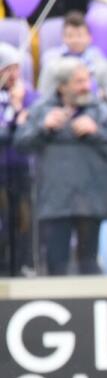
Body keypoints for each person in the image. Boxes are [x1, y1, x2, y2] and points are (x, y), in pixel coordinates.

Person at [16, 58, 107, 276]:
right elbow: (21, 144)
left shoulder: (101, 111)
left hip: (91, 199)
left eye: (87, 80)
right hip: (56, 200)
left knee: (89, 262)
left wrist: (96, 132)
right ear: (62, 86)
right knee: (56, 263)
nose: (86, 86)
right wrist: (44, 128)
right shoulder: (41, 110)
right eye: (79, 81)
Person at [0, 44, 34, 277]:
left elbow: (32, 129)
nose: (14, 76)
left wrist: (20, 108)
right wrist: (14, 114)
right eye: (7, 69)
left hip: (21, 169)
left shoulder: (27, 95)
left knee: (22, 219)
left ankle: (22, 265)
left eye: (17, 69)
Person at [39, 11, 107, 104]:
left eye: (79, 35)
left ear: (89, 37)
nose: (75, 40)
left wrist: (99, 94)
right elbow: (43, 95)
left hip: (93, 109)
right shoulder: (51, 62)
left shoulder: (102, 62)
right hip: (59, 107)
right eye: (70, 36)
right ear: (63, 37)